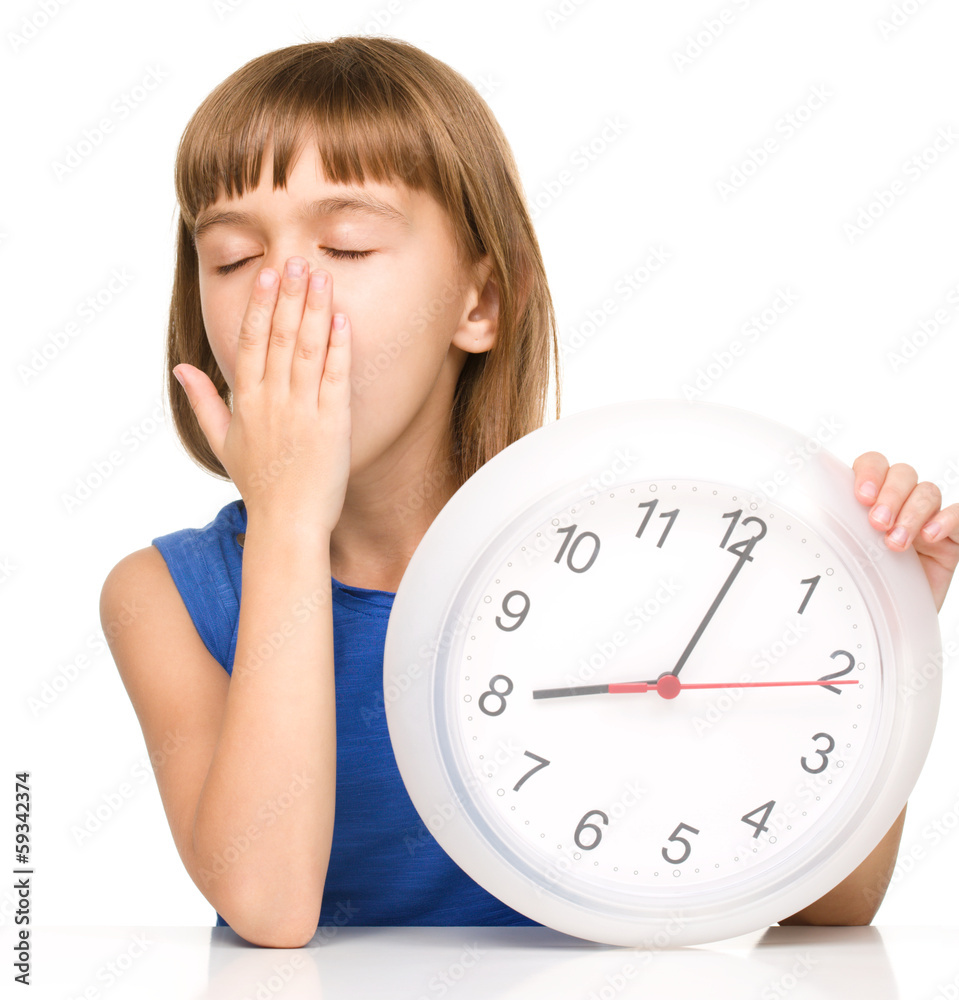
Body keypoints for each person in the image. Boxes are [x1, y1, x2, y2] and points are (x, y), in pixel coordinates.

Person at [99, 35, 958, 949]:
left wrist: (876, 627)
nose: (282, 295)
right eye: (233, 258)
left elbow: (829, 907)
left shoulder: (625, 548)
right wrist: (286, 519)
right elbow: (270, 910)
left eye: (345, 245)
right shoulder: (165, 600)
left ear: (479, 303)